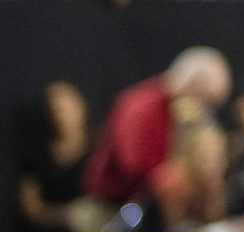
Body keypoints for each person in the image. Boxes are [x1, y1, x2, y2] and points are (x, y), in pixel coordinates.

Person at [86, 47, 233, 207]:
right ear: (192, 86)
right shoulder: (144, 108)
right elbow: (135, 165)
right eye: (207, 101)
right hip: (118, 206)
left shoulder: (174, 111)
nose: (206, 111)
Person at [16, 81, 101, 232]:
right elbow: (32, 209)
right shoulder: (36, 155)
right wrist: (69, 216)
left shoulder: (100, 147)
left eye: (69, 108)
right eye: (56, 110)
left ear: (82, 107)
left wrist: (94, 216)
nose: (63, 116)